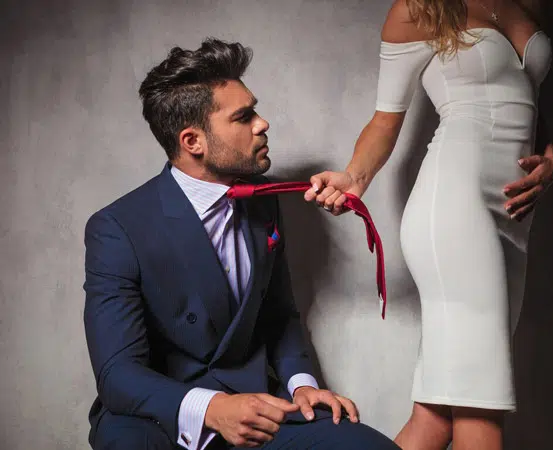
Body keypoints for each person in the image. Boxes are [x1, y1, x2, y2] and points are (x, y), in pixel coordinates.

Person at [83, 39, 400, 450]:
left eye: (256, 110)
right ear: (192, 141)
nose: (262, 123)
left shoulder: (263, 199)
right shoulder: (117, 228)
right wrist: (212, 408)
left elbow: (279, 315)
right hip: (159, 418)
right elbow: (117, 374)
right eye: (244, 116)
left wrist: (301, 384)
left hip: (258, 404)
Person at [304, 1, 553, 449]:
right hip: (455, 205)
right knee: (480, 408)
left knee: (436, 416)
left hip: (515, 218)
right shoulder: (418, 7)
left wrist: (551, 156)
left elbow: (527, 94)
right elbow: (386, 118)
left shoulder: (529, 2)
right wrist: (354, 178)